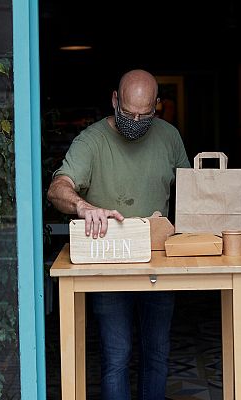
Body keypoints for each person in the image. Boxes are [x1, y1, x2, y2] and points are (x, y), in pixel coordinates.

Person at [47, 69, 190, 400]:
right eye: (128, 113)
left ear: (158, 105)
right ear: (114, 100)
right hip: (108, 264)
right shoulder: (91, 141)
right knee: (116, 357)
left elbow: (191, 191)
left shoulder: (170, 137)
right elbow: (58, 188)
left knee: (157, 354)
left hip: (159, 265)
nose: (135, 120)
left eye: (145, 114)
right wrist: (82, 206)